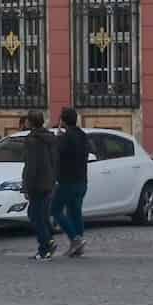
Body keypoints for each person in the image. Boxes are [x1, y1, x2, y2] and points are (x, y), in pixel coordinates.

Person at [21, 110, 58, 260]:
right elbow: (55, 160)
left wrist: (26, 186)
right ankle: (47, 241)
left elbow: (31, 166)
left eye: (27, 120)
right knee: (41, 214)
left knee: (34, 215)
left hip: (36, 183)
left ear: (30, 122)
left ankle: (46, 246)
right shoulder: (50, 137)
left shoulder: (32, 140)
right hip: (48, 181)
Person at [53, 108, 90, 257]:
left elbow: (57, 154)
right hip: (82, 180)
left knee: (55, 209)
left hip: (67, 181)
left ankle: (74, 239)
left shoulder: (65, 137)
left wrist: (59, 137)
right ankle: (78, 244)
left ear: (63, 121)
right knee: (75, 212)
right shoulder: (83, 135)